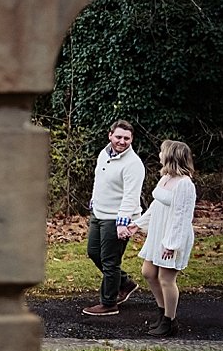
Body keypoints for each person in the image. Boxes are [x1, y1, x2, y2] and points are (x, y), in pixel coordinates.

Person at [127, 140, 197, 337]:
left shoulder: (185, 184)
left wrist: (172, 244)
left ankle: (170, 320)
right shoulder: (165, 178)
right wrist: (138, 223)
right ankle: (161, 311)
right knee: (148, 272)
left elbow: (182, 216)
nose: (159, 154)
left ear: (171, 156)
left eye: (162, 152)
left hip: (173, 236)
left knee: (166, 279)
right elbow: (156, 206)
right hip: (158, 233)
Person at [83, 120, 145, 316]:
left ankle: (108, 303)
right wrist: (94, 199)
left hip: (116, 218)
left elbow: (131, 196)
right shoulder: (104, 153)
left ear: (132, 140)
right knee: (94, 252)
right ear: (110, 135)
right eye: (118, 137)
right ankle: (124, 283)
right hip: (99, 213)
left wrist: (123, 223)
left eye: (127, 138)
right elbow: (98, 180)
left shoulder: (133, 164)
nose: (122, 141)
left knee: (110, 261)